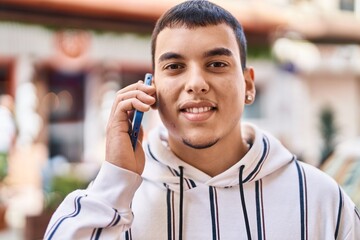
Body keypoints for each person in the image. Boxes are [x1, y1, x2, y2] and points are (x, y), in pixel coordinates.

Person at [45, 1, 360, 239]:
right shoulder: (114, 201)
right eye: (175, 67)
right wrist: (115, 178)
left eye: (217, 63)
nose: (196, 83)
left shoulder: (319, 198)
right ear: (150, 87)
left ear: (248, 85)